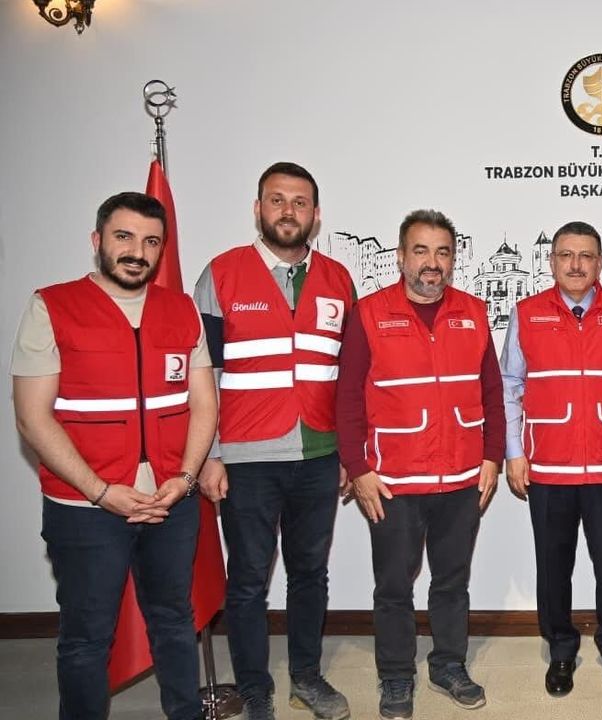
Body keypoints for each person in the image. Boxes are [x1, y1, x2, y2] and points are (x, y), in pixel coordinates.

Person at [12, 191, 217, 720]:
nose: (137, 252)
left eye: (151, 242)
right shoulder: (52, 307)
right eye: (124, 237)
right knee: (87, 637)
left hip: (170, 502)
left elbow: (203, 403)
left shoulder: (181, 309)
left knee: (175, 620)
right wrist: (101, 492)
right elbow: (33, 418)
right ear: (97, 240)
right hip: (85, 509)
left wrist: (185, 479)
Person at [193, 162, 354, 720]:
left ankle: (306, 677)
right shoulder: (221, 274)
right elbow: (203, 375)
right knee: (248, 580)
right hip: (246, 458)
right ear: (258, 209)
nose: (289, 211)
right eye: (277, 200)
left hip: (319, 454)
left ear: (316, 214)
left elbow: (346, 375)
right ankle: (254, 687)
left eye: (300, 202)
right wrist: (209, 455)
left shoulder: (338, 279)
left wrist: (347, 452)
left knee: (310, 574)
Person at [336, 209, 503, 720]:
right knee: (393, 587)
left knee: (452, 582)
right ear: (401, 257)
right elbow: (347, 397)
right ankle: (395, 676)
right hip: (393, 481)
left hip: (461, 477)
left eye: (443, 252)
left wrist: (492, 457)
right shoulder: (369, 313)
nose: (433, 262)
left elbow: (492, 393)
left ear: (454, 259)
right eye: (422, 250)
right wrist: (358, 468)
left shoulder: (474, 312)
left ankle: (449, 665)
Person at [501, 220, 602, 697]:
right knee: (553, 566)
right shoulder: (527, 313)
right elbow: (510, 386)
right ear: (551, 262)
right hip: (548, 465)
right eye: (566, 255)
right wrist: (514, 453)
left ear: (600, 263)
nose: (575, 264)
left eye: (586, 255)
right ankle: (561, 650)